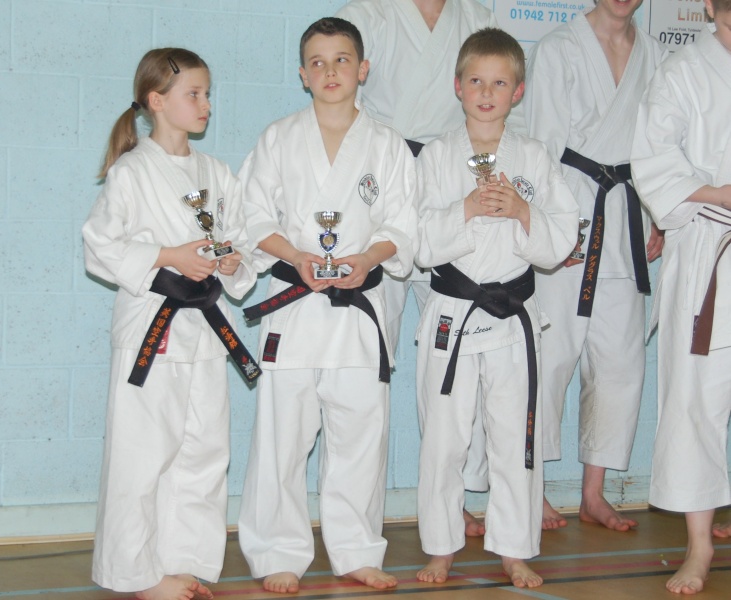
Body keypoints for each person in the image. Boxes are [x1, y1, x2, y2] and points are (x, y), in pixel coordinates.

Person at [237, 17, 418, 595]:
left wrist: (367, 258)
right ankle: (277, 551)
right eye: (317, 62)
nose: (330, 71)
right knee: (282, 437)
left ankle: (357, 550)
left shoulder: (388, 145)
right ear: (302, 74)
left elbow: (403, 225)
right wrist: (295, 255)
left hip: (359, 307)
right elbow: (251, 218)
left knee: (360, 435)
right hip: (294, 306)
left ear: (363, 69)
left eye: (342, 59)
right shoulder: (278, 138)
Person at [83, 48, 258, 600]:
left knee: (203, 451)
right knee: (142, 456)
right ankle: (135, 575)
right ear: (156, 101)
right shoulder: (132, 171)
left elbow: (240, 240)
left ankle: (183, 563)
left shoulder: (216, 173)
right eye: (194, 94)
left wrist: (232, 262)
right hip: (152, 329)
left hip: (204, 330)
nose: (206, 105)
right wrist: (168, 256)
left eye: (208, 94)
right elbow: (99, 245)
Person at [414, 28, 578, 588]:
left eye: (500, 83)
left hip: (513, 315)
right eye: (477, 81)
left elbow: (561, 238)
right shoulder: (436, 156)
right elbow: (417, 243)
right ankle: (440, 547)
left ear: (518, 91)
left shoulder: (534, 158)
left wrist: (523, 212)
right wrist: (465, 208)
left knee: (515, 438)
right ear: (458, 86)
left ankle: (514, 549)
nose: (487, 93)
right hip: (452, 311)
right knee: (443, 437)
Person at [336, 0, 504, 538]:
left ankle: (451, 498)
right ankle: (359, 511)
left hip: (451, 191)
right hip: (381, 191)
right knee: (370, 352)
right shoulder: (369, 13)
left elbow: (500, 117)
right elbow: (338, 99)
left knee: (462, 353)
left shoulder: (476, 17)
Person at [525, 0, 665, 531]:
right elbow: (541, 147)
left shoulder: (654, 55)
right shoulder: (559, 49)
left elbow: (660, 147)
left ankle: (593, 492)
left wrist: (659, 214)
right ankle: (531, 489)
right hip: (571, 215)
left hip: (627, 215)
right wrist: (552, 229)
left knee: (621, 361)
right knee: (551, 356)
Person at [631, 0, 731, 592]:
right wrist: (717, 192)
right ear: (712, 8)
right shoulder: (682, 71)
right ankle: (699, 544)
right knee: (695, 398)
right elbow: (654, 158)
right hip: (707, 245)